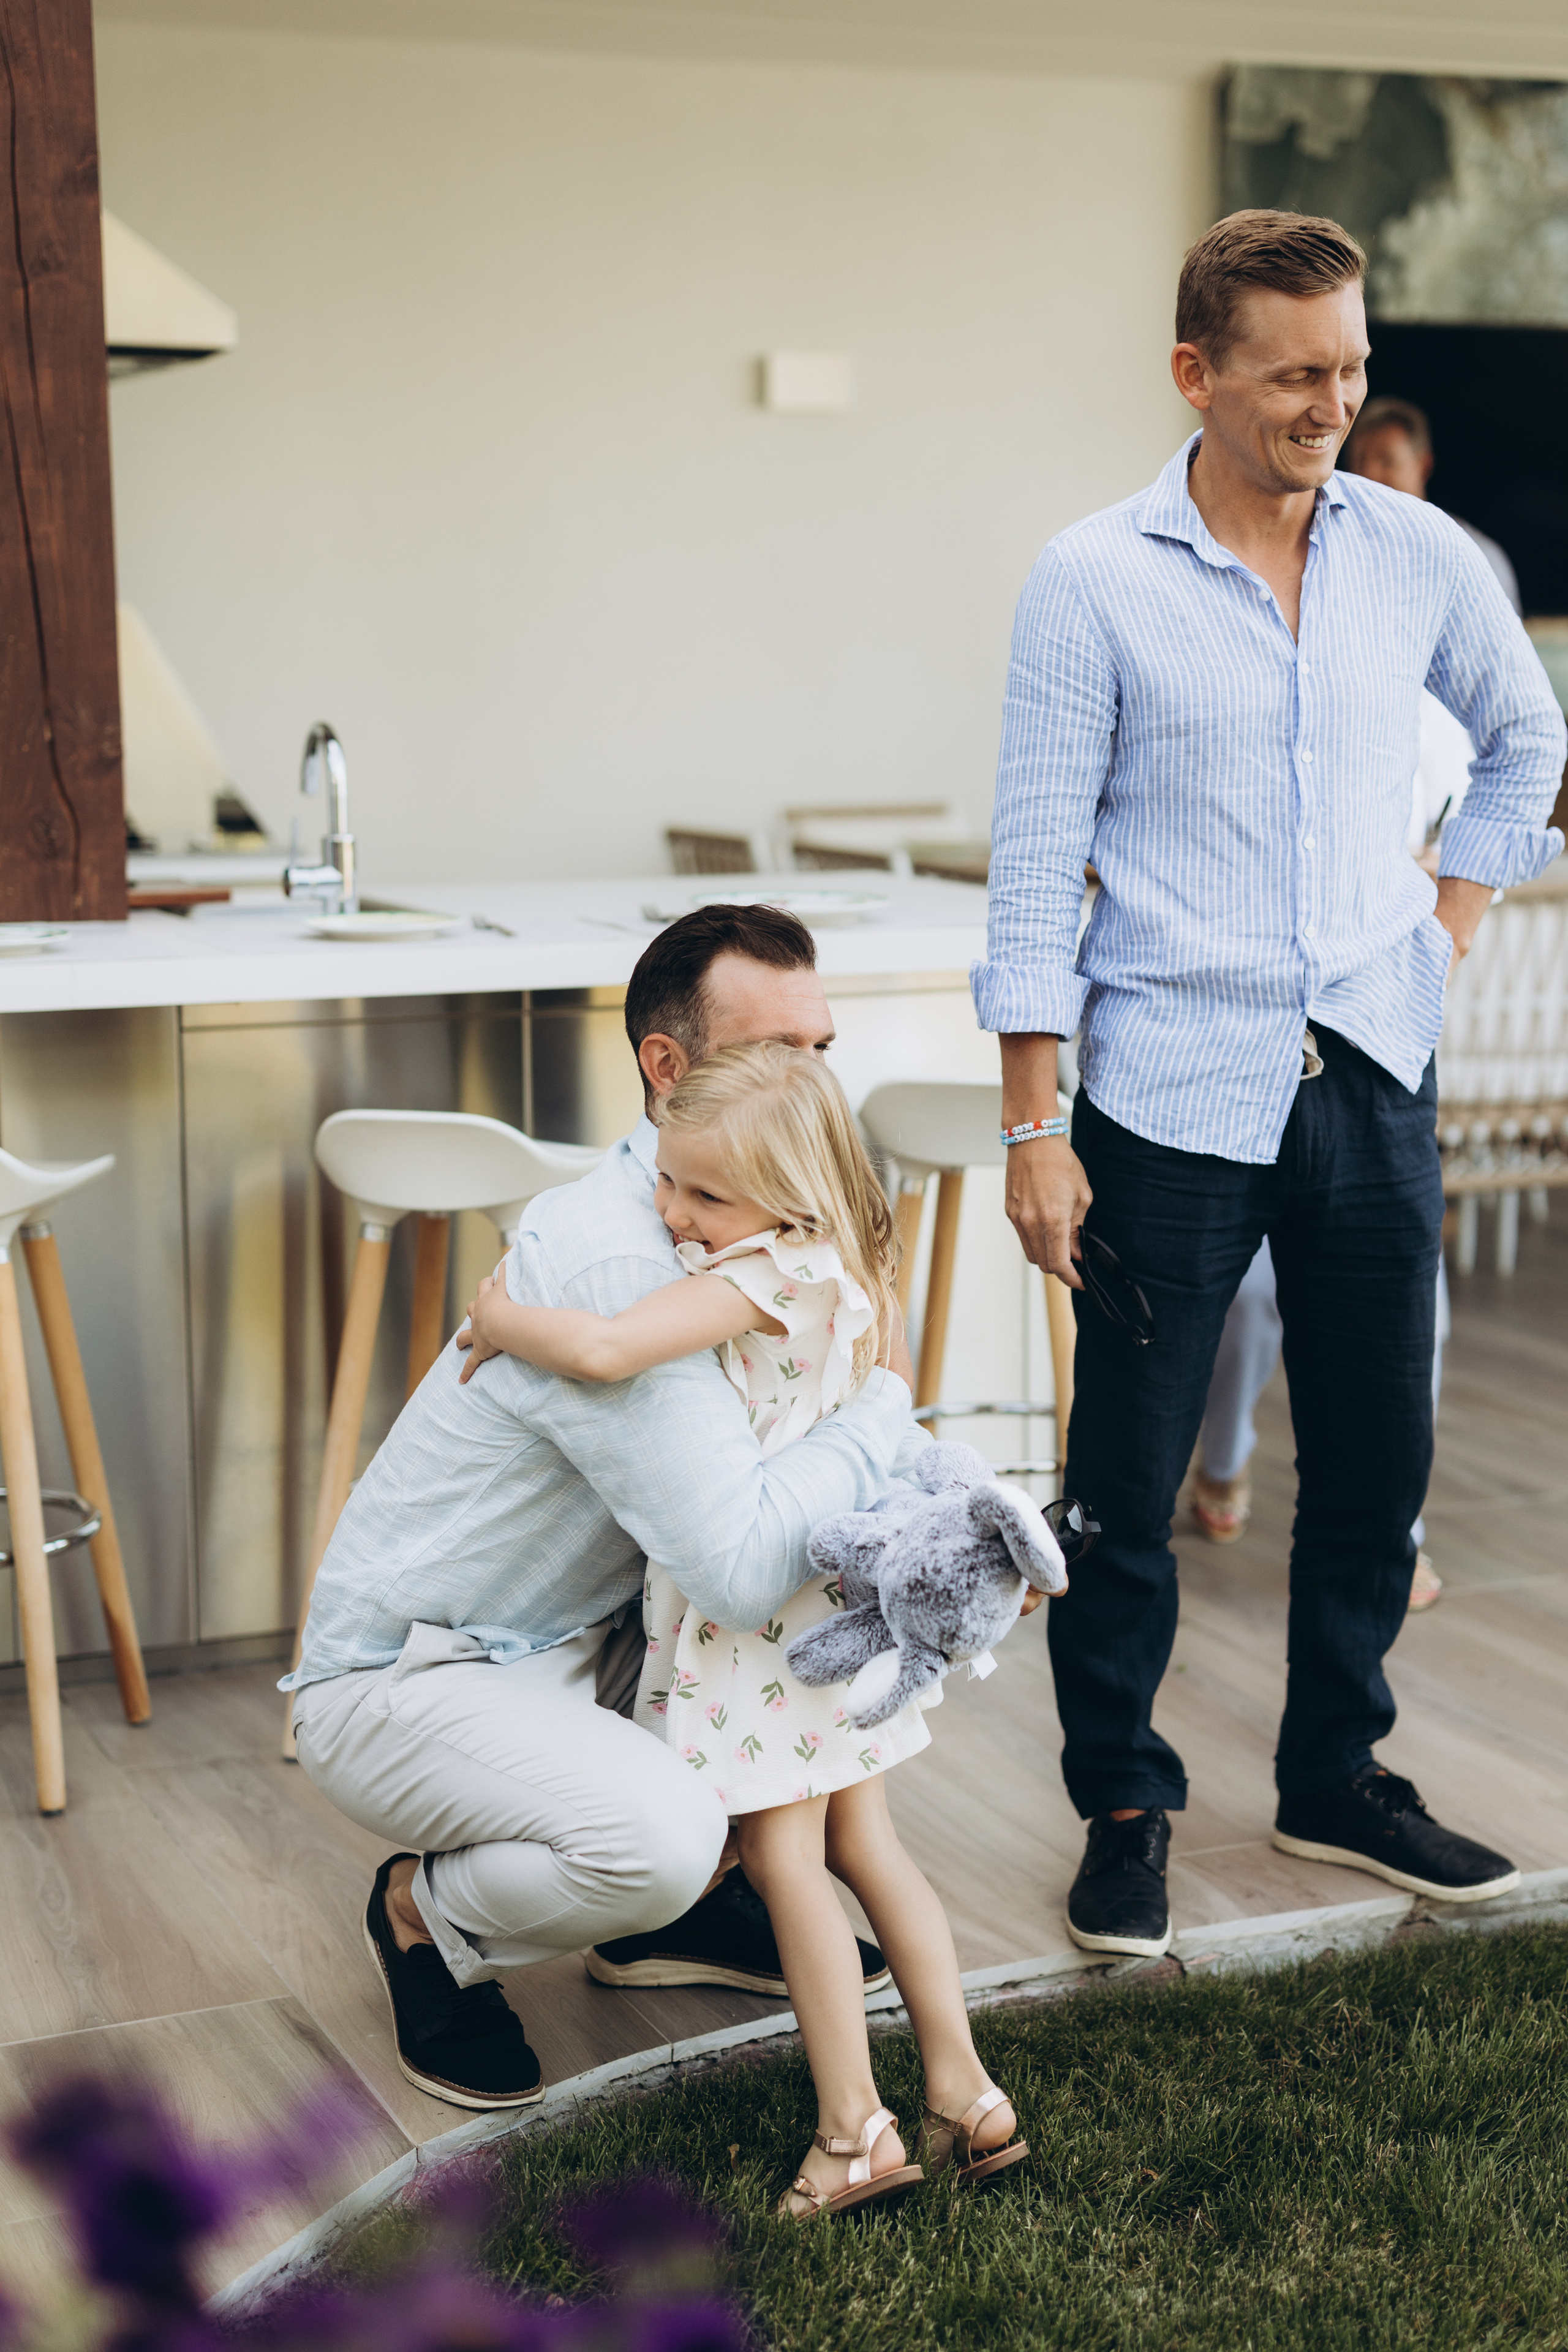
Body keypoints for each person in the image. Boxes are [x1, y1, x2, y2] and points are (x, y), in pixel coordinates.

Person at [974, 208, 1564, 1959]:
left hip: (1371, 1070)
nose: (1332, 403)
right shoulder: (1093, 577)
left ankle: (1336, 1772)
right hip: (1165, 1089)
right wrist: (1032, 1123)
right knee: (1126, 1480)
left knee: (1376, 1462)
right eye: (1296, 372)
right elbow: (1033, 861)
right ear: (1196, 372)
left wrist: (1447, 919)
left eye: (1352, 367)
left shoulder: (1417, 554)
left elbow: (1529, 736)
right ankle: (1123, 1802)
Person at [283, 905, 929, 2109]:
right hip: (421, 1673)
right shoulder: (627, 1262)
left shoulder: (747, 1227)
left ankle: (652, 1922)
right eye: (775, 1053)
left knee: (816, 1682)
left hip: (596, 1635)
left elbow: (797, 1461)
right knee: (664, 1835)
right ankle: (427, 1915)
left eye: (822, 1051)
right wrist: (888, 1404)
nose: (815, 1086)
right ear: (667, 1068)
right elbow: (742, 1569)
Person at [460, 1041, 1033, 2214]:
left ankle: (853, 2131)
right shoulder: (846, 1267)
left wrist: (503, 1319)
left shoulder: (763, 1275)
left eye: (706, 1196)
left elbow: (609, 1350)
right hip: (834, 1612)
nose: (673, 1213)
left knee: (785, 1862)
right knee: (869, 1850)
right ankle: (966, 2091)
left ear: (789, 1193)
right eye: (667, 1181)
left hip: (767, 1631)